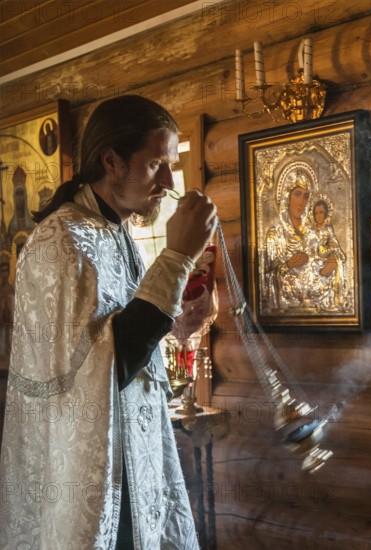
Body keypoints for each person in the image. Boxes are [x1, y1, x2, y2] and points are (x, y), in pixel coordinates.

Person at [0, 95, 217, 549]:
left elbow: (120, 337)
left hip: (132, 455)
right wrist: (176, 257)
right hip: (90, 473)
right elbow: (92, 371)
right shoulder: (61, 242)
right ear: (111, 161)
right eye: (157, 164)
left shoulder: (115, 234)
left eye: (171, 165)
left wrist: (175, 323)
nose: (170, 181)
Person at [264, 169, 311, 311]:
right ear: (287, 197)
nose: (302, 202)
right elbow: (267, 277)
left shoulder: (313, 233)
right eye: (297, 194)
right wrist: (288, 265)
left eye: (306, 196)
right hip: (287, 305)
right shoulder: (275, 235)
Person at [302, 195, 348, 312]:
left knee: (336, 259)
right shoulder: (311, 231)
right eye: (316, 213)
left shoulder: (328, 229)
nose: (318, 216)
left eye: (321, 212)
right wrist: (315, 253)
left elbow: (334, 243)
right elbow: (307, 248)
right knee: (312, 266)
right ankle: (315, 291)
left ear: (326, 213)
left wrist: (333, 251)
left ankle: (333, 298)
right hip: (314, 259)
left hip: (325, 257)